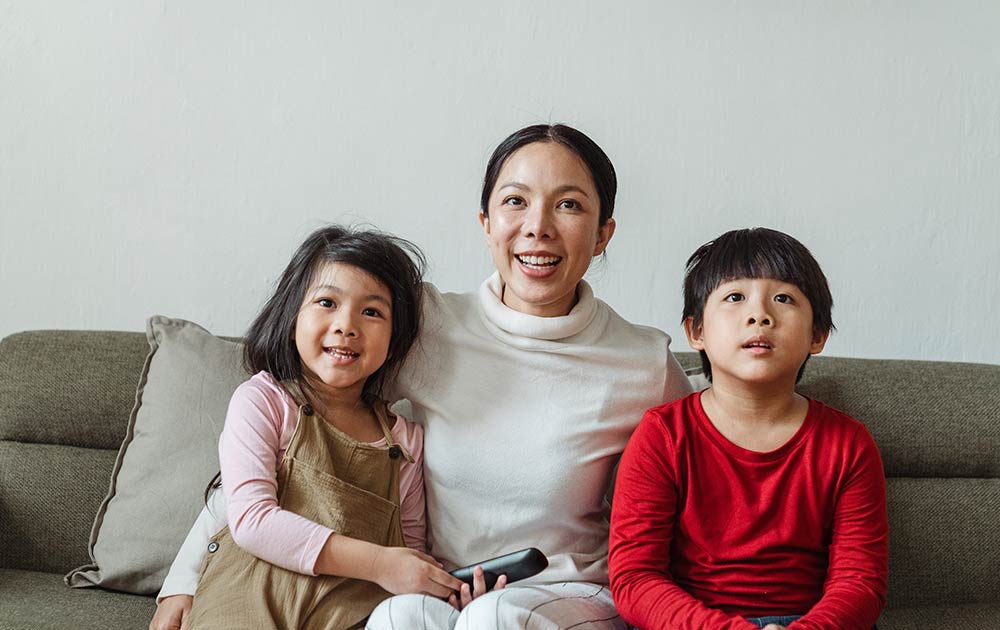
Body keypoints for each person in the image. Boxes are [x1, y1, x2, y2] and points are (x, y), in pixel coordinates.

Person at [150, 124, 693, 630]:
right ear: (486, 224)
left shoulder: (641, 363)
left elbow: (711, 479)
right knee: (398, 616)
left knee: (493, 619)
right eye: (515, 201)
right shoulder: (425, 326)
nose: (538, 226)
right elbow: (291, 429)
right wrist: (183, 575)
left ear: (603, 234)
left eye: (569, 205)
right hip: (443, 585)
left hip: (571, 591)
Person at [180, 225, 465, 629]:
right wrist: (380, 563)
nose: (347, 325)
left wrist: (436, 585)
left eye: (372, 311)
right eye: (327, 302)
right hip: (245, 606)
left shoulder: (405, 441)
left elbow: (409, 550)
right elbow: (252, 520)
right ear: (292, 314)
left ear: (395, 336)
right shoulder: (264, 401)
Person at [608, 228, 888, 630]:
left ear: (818, 335)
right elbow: (635, 579)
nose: (760, 315)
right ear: (696, 332)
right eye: (735, 297)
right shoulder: (662, 436)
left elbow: (860, 583)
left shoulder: (848, 444)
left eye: (784, 298)